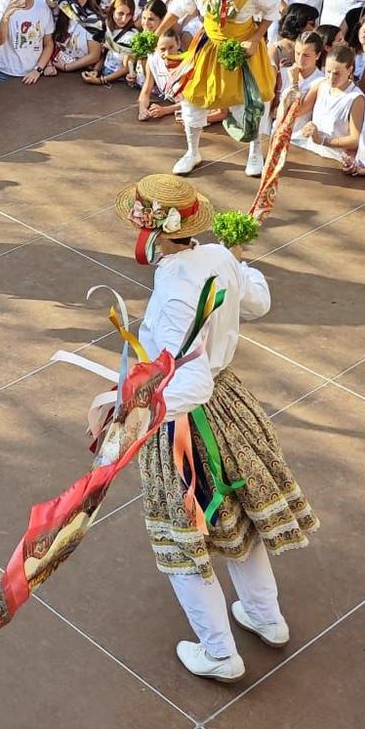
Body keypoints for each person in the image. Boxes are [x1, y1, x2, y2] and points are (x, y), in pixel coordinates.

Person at [104, 175, 317, 681]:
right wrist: (239, 261)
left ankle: (220, 652)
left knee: (184, 539)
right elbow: (257, 302)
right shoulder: (217, 256)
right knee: (237, 517)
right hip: (232, 405)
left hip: (186, 425)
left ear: (153, 231)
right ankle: (267, 618)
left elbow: (190, 382)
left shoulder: (177, 288)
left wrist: (126, 406)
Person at [162, 0, 282, 176]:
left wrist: (255, 39)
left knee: (252, 104)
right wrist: (155, 34)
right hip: (208, 49)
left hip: (244, 52)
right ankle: (192, 152)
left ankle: (256, 152)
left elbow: (273, 11)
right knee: (193, 99)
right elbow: (178, 9)